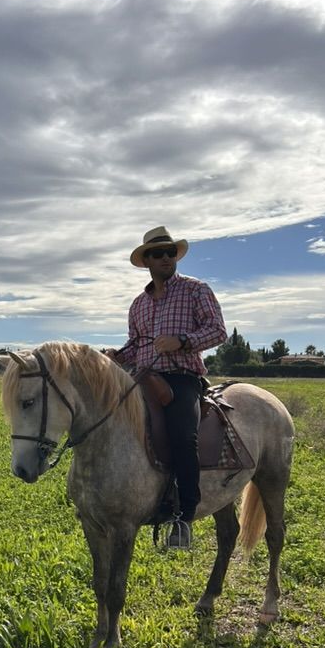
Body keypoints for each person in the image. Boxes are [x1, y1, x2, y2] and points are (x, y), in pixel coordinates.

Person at [110, 227, 227, 549]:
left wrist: (183, 341)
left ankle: (184, 516)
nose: (165, 258)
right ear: (146, 260)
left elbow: (218, 331)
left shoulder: (195, 291)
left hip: (181, 378)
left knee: (182, 436)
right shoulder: (138, 305)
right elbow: (135, 346)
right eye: (158, 254)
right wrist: (116, 356)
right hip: (142, 376)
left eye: (170, 253)